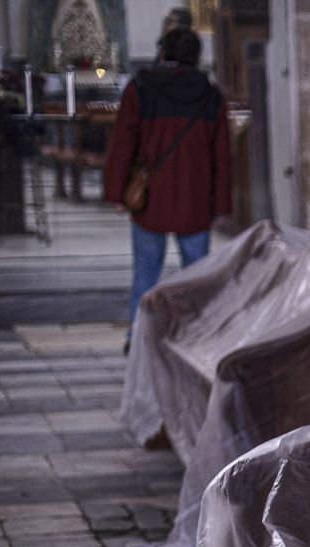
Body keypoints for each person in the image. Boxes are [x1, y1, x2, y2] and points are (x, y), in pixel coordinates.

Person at [103, 26, 231, 351]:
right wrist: (221, 205)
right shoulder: (210, 95)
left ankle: (138, 337)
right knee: (197, 278)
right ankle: (200, 337)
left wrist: (117, 192)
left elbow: (123, 144)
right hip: (195, 199)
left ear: (164, 52)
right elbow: (222, 157)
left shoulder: (140, 89)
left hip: (150, 201)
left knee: (146, 275)